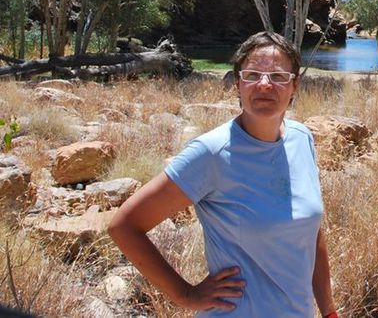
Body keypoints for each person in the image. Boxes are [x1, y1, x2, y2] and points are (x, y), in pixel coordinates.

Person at [107, 31, 338, 317]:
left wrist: (329, 311)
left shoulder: (302, 139)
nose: (265, 84)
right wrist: (186, 294)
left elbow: (312, 234)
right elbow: (125, 226)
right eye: (253, 74)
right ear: (238, 84)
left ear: (295, 86)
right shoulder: (212, 153)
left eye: (278, 77)